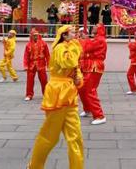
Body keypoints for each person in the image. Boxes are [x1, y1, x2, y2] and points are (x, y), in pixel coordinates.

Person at [28, 25, 84, 169]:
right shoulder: (60, 48)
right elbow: (69, 62)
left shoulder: (71, 46)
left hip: (70, 95)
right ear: (64, 35)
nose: (76, 34)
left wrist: (79, 78)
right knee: (50, 136)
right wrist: (76, 47)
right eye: (73, 32)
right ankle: (34, 166)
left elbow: (75, 69)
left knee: (75, 137)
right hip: (58, 93)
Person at [78, 23, 108, 125]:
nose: (93, 27)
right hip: (89, 66)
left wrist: (84, 39)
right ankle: (88, 109)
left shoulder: (100, 40)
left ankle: (99, 115)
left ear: (99, 29)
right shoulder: (96, 39)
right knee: (82, 88)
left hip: (95, 66)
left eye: (96, 26)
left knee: (90, 90)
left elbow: (86, 48)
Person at [23, 28, 50, 101]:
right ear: (31, 36)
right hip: (31, 65)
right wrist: (25, 65)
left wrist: (49, 64)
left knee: (44, 80)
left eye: (36, 35)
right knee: (30, 80)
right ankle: (29, 94)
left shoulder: (43, 43)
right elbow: (26, 56)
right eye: (34, 35)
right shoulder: (28, 45)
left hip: (41, 63)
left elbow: (47, 55)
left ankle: (46, 94)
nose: (35, 37)